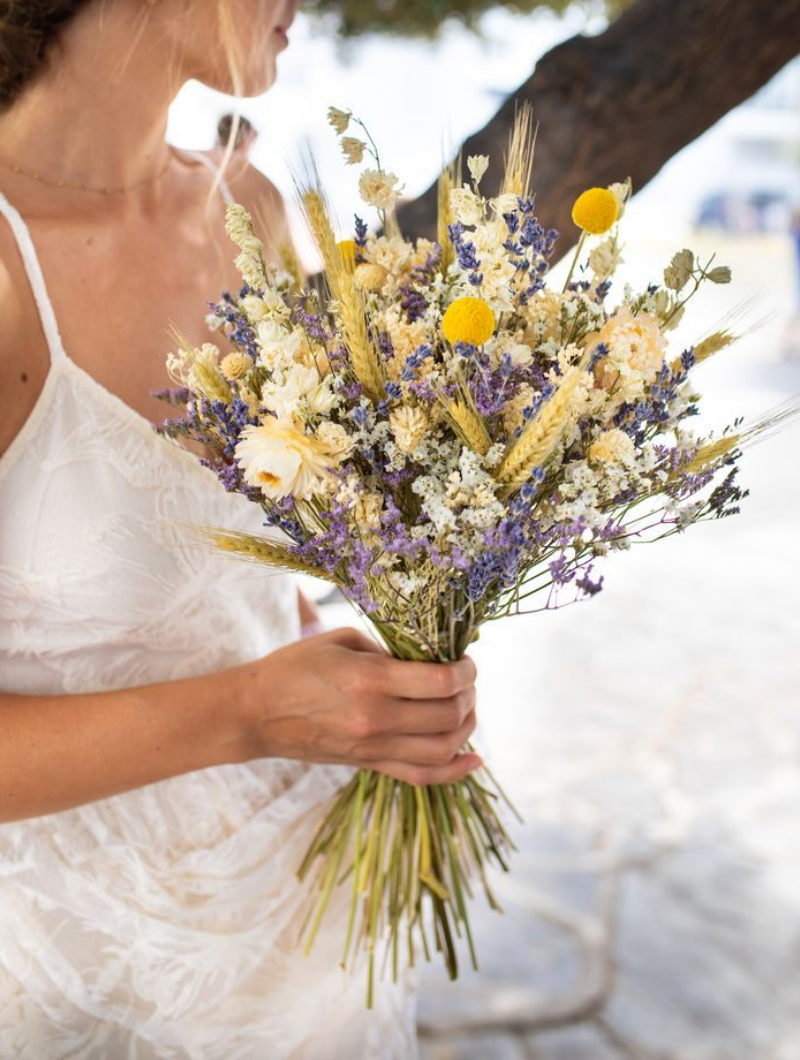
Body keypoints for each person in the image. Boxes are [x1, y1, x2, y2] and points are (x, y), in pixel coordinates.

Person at [0, 2, 482, 1055]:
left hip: (314, 936)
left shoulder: (247, 208)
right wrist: (254, 712)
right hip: (74, 985)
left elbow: (241, 574)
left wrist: (377, 704)